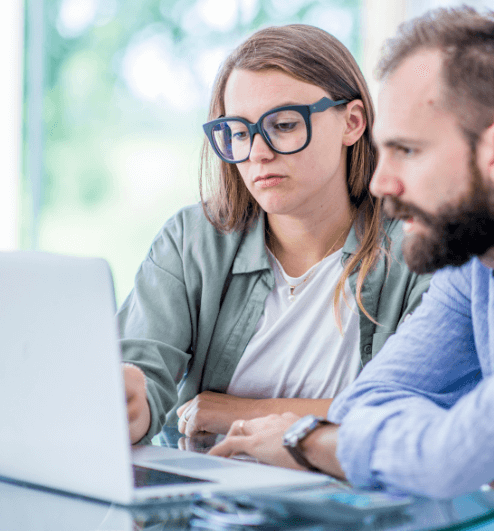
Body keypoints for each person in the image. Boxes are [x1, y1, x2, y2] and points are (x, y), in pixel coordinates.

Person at [210, 7, 494, 531]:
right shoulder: (478, 258)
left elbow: (448, 455)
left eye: (407, 151)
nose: (380, 183)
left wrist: (306, 437)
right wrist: (484, 452)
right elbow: (368, 404)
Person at [120, 24, 432, 446]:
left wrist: (234, 412)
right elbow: (143, 381)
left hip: (353, 504)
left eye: (284, 125)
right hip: (214, 504)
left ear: (352, 122)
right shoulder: (192, 240)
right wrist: (130, 404)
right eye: (240, 133)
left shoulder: (418, 244)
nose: (258, 153)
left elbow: (415, 410)